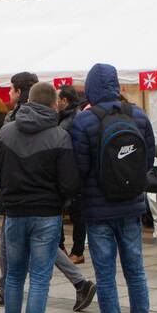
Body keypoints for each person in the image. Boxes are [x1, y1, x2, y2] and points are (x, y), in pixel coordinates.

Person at [70, 63, 157, 313]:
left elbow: (79, 168)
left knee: (105, 275)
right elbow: (147, 160)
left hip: (98, 210)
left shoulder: (84, 121)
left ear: (92, 87)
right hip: (131, 205)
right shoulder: (138, 115)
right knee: (136, 270)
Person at [0, 82, 80, 313]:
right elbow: (69, 182)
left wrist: (10, 191)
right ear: (54, 104)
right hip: (46, 213)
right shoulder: (59, 135)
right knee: (40, 278)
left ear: (28, 100)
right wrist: (60, 201)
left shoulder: (6, 131)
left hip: (14, 212)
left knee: (14, 275)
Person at [57, 85, 86, 263]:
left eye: (58, 98)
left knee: (77, 212)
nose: (55, 102)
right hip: (66, 169)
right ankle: (62, 248)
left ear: (65, 101)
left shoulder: (75, 118)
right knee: (63, 210)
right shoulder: (65, 116)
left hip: (73, 170)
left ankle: (77, 251)